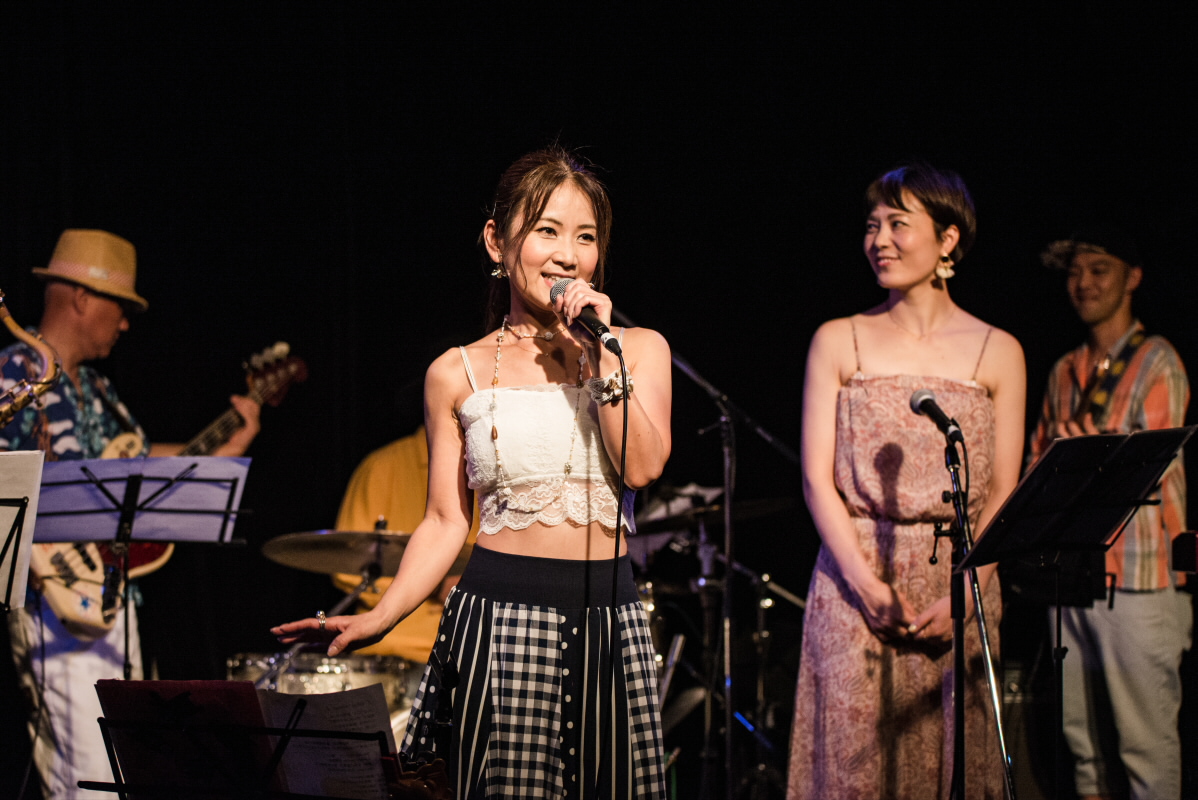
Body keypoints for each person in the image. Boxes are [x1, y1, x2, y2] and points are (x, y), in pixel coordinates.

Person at [274, 147, 673, 799]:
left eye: (585, 237)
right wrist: (381, 616)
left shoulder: (637, 350)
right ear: (496, 241)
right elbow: (443, 520)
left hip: (608, 617)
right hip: (499, 617)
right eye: (547, 230)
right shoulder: (453, 372)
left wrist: (600, 356)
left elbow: (643, 466)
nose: (567, 255)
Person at [787, 164, 1025, 799]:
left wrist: (967, 593)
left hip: (962, 579)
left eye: (898, 223)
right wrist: (868, 588)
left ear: (948, 238)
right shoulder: (838, 339)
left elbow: (1005, 487)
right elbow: (816, 479)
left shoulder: (999, 350)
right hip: (855, 579)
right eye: (872, 226)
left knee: (956, 766)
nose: (879, 240)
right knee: (854, 770)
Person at [0, 228, 261, 799]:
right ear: (81, 297)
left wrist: (227, 446)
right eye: (120, 306)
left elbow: (138, 464)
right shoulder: (12, 374)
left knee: (129, 775)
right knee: (88, 785)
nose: (124, 324)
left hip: (116, 600)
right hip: (54, 604)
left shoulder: (97, 388)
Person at [1031, 228, 1190, 800]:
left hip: (1139, 580)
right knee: (1083, 748)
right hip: (1073, 579)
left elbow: (1146, 472)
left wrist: (1083, 456)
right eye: (1075, 272)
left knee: (1145, 748)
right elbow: (1034, 474)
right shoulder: (1063, 370)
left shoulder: (1157, 360)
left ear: (1133, 276)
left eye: (1099, 269)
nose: (1083, 283)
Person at [330, 424, 477, 664]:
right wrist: (437, 583)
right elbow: (348, 567)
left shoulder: (496, 471)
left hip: (471, 651)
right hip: (393, 651)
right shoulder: (382, 466)